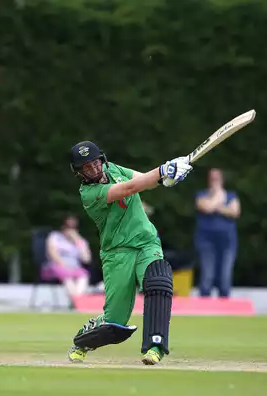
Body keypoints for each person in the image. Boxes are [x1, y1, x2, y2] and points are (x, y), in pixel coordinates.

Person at [66, 141, 192, 365]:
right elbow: (129, 188)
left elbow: (142, 179)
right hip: (117, 254)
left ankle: (155, 346)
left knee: (159, 282)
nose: (94, 169)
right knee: (114, 324)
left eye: (95, 163)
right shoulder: (89, 194)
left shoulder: (113, 168)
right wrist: (163, 170)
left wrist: (165, 178)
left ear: (101, 160)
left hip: (146, 243)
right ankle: (83, 340)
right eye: (86, 167)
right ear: (79, 173)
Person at [194, 168, 240, 297]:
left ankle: (225, 305)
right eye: (212, 179)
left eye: (217, 178)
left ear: (222, 180)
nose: (215, 181)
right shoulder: (201, 194)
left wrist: (215, 206)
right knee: (207, 274)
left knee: (225, 275)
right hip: (206, 241)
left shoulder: (232, 195)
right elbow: (206, 208)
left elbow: (235, 212)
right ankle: (204, 304)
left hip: (227, 241)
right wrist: (219, 198)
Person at [44, 214, 92, 302]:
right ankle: (76, 302)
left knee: (83, 276)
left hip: (75, 267)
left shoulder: (80, 241)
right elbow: (52, 252)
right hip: (57, 266)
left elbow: (86, 259)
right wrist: (63, 264)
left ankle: (77, 301)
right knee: (67, 276)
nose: (70, 230)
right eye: (68, 227)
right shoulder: (55, 236)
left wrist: (78, 242)